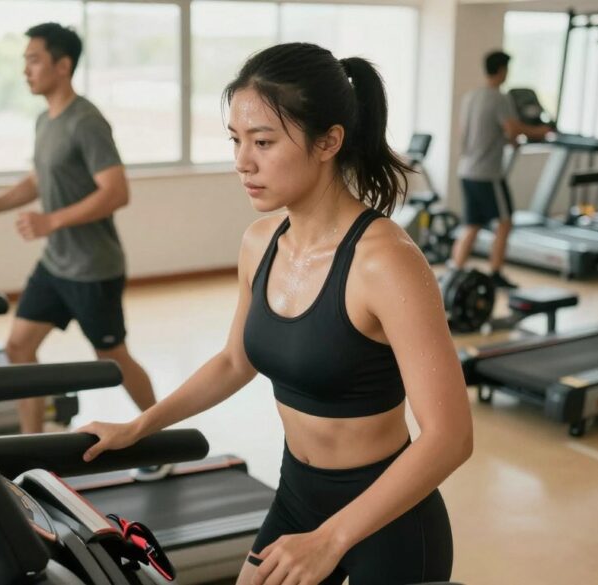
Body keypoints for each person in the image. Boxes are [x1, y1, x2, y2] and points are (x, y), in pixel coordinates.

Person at [79, 43, 473, 585]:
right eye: (236, 141)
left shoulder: (385, 263)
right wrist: (139, 426)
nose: (243, 161)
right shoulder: (260, 242)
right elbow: (234, 361)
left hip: (389, 518)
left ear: (329, 141)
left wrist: (331, 540)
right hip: (297, 498)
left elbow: (449, 437)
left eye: (263, 142)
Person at [0, 23, 157, 433]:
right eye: (24, 61)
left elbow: (116, 192)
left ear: (62, 66)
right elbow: (36, 182)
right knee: (18, 346)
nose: (25, 70)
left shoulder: (86, 121)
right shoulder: (45, 121)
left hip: (93, 269)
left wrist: (51, 221)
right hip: (55, 265)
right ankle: (34, 446)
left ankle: (160, 432)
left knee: (112, 357)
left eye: (34, 60)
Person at [450, 50, 551, 288]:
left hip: (466, 169)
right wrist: (542, 132)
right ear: (503, 70)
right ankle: (496, 272)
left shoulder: (471, 96)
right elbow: (513, 129)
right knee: (505, 222)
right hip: (488, 174)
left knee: (472, 225)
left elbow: (470, 132)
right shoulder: (499, 97)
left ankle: (455, 270)